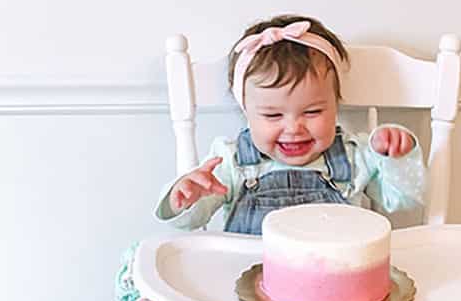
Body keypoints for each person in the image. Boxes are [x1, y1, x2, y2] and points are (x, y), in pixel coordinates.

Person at [155, 14, 425, 234]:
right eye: (273, 115)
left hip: (336, 282)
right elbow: (189, 224)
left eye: (312, 111)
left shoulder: (355, 156)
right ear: (246, 111)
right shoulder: (232, 162)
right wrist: (187, 195)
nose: (294, 128)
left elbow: (403, 200)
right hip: (249, 285)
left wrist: (394, 155)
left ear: (335, 105)